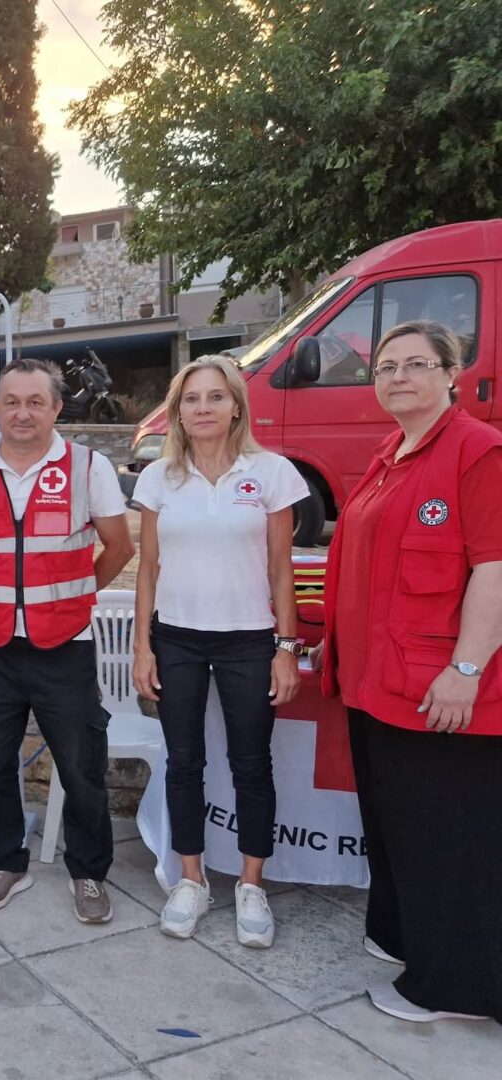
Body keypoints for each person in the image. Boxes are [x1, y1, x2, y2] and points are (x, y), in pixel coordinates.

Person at [319, 320, 502, 1023]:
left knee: (446, 837)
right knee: (397, 823)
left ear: (452, 375)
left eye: (417, 364)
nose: (398, 377)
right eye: (386, 367)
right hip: (379, 684)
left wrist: (467, 668)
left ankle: (454, 988)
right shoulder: (390, 453)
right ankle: (402, 938)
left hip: (440, 690)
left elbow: (495, 569)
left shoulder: (477, 452)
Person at [0, 359, 133, 922]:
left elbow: (120, 547)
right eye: (11, 402)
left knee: (81, 768)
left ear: (55, 408)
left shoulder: (87, 466)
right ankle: (6, 862)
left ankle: (88, 872)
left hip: (65, 646)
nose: (22, 413)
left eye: (35, 401)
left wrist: (71, 596)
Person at [131, 356, 306, 948]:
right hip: (176, 638)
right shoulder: (159, 478)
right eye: (191, 399)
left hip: (249, 639)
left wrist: (285, 648)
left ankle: (252, 885)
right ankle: (192, 879)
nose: (202, 408)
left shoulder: (272, 472)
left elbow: (281, 569)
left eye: (214, 396)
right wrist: (142, 647)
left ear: (236, 406)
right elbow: (148, 569)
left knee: (251, 764)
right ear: (177, 412)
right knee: (184, 763)